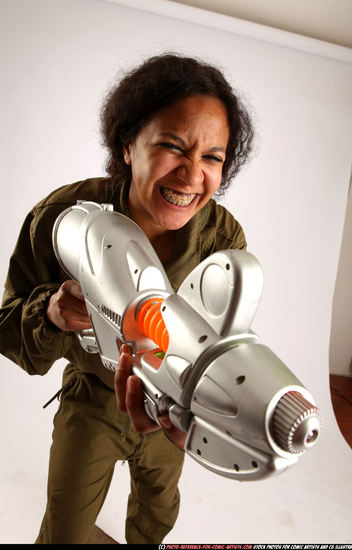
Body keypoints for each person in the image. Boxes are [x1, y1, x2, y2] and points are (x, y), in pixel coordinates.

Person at [0, 53, 254, 544]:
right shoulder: (63, 220)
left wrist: (200, 413)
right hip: (92, 400)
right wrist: (51, 313)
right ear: (128, 146)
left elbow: (226, 349)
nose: (191, 174)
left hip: (169, 412)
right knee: (64, 532)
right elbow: (6, 324)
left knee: (157, 517)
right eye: (172, 147)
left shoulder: (223, 240)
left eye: (212, 157)